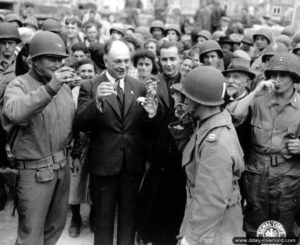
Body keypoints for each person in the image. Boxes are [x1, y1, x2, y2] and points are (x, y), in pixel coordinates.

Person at [74, 39, 158, 245]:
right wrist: (97, 103)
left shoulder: (138, 86)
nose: (123, 66)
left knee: (128, 219)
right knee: (102, 221)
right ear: (105, 60)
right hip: (103, 165)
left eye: (126, 61)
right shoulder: (90, 86)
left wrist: (152, 115)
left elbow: (143, 127)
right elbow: (79, 123)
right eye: (117, 61)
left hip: (131, 165)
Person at [1, 31, 76, 245]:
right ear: (33, 61)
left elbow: (69, 124)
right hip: (34, 172)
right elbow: (15, 112)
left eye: (60, 59)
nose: (57, 64)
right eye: (52, 59)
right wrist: (50, 88)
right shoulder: (18, 85)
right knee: (31, 235)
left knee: (55, 227)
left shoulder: (63, 88)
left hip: (61, 168)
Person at [169, 66, 245, 245]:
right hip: (210, 219)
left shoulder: (216, 142)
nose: (185, 101)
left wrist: (192, 238)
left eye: (187, 97)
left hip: (214, 228)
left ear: (199, 100)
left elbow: (211, 199)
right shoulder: (211, 121)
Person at [228, 52, 300, 239]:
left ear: (294, 78)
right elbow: (232, 115)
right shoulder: (259, 100)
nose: (277, 79)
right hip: (256, 175)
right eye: (273, 74)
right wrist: (255, 92)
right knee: (254, 229)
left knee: (284, 231)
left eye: (283, 75)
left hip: (288, 178)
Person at [136, 41, 186, 245]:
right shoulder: (152, 85)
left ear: (180, 59)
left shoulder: (189, 83)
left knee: (176, 206)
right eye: (164, 59)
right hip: (158, 154)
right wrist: (151, 115)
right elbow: (145, 127)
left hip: (181, 155)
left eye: (172, 58)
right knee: (154, 204)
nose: (168, 63)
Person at [68, 58, 97, 237]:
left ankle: (94, 214)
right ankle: (76, 217)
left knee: (95, 182)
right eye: (83, 71)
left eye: (90, 71)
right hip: (77, 141)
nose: (86, 74)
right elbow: (73, 122)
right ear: (77, 74)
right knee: (75, 181)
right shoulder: (72, 92)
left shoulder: (98, 88)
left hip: (96, 142)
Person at [0, 22, 22, 210]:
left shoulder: (22, 65)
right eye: (3, 43)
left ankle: (19, 198)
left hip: (13, 121)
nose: (7, 47)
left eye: (10, 42)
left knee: (16, 160)